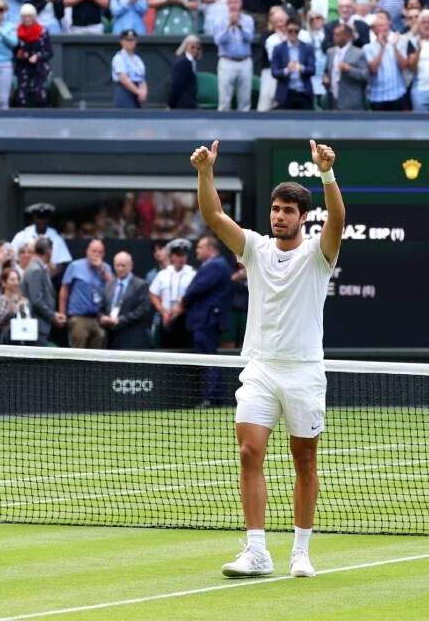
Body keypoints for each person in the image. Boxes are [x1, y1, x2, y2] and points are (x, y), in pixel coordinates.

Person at [190, 137, 344, 578]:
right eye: (275, 210)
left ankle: (300, 551)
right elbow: (214, 215)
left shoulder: (319, 253)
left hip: (303, 372)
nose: (278, 216)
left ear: (302, 217)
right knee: (248, 450)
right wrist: (205, 172)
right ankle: (257, 551)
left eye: (287, 211)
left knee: (304, 460)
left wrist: (327, 173)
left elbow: (339, 219)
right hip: (259, 367)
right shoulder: (254, 247)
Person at [177, 234, 232, 406]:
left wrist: (183, 302)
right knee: (210, 358)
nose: (196, 250)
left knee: (208, 359)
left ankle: (210, 398)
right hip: (205, 321)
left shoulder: (215, 266)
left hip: (207, 321)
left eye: (200, 247)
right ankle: (216, 398)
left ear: (210, 249)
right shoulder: (214, 265)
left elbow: (196, 289)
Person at [58, 238, 113, 348]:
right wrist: (62, 313)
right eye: (94, 251)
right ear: (87, 251)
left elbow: (113, 287)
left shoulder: (106, 268)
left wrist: (101, 270)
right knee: (79, 352)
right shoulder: (75, 266)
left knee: (97, 353)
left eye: (100, 252)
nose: (96, 254)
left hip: (98, 318)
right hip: (79, 317)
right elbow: (64, 290)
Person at [149, 237, 195, 349]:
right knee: (165, 351)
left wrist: (181, 309)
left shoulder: (192, 273)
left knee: (186, 352)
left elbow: (195, 297)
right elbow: (153, 294)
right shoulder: (163, 274)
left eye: (184, 255)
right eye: (178, 255)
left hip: (185, 319)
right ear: (172, 256)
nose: (181, 258)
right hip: (166, 317)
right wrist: (162, 311)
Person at [100, 251, 151, 350]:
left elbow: (143, 310)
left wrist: (120, 319)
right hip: (111, 337)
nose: (120, 269)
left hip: (132, 337)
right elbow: (101, 308)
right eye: (117, 265)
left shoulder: (141, 285)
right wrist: (102, 317)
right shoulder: (109, 285)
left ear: (130, 266)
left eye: (123, 265)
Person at [22, 236, 67, 346]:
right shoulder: (36, 270)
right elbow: (36, 300)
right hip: (36, 327)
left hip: (39, 326)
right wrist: (53, 316)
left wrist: (54, 314)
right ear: (48, 251)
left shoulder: (38, 268)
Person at [214, 0, 254, 111]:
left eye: (235, 2)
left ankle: (244, 126)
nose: (233, 5)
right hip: (227, 61)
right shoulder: (220, 21)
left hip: (245, 61)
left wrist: (239, 26)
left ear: (240, 4)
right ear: (227, 4)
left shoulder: (248, 20)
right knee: (224, 100)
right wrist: (228, 26)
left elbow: (249, 38)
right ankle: (222, 127)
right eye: (230, 2)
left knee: (245, 100)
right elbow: (219, 41)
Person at [363, 9, 408, 110]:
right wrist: (382, 48)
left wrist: (395, 47)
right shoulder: (367, 48)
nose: (384, 29)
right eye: (380, 26)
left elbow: (404, 66)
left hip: (397, 94)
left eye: (385, 25)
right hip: (377, 97)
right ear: (374, 30)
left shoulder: (399, 41)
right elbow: (373, 70)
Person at [271, 16, 316, 110]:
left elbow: (312, 69)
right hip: (286, 93)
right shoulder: (278, 49)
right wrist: (287, 70)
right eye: (290, 31)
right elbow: (274, 72)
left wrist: (302, 68)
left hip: (303, 93)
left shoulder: (307, 48)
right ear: (285, 30)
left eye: (296, 31)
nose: (293, 34)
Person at [14, 4, 52, 108]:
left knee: (40, 95)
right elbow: (15, 51)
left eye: (29, 16)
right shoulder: (16, 32)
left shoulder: (43, 31)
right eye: (24, 16)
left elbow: (49, 52)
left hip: (40, 66)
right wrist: (19, 54)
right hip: (23, 66)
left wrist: (37, 56)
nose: (26, 19)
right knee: (21, 97)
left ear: (34, 17)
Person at [11, 203, 72, 268]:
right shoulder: (22, 236)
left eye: (44, 217)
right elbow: (12, 258)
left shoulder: (56, 238)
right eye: (38, 217)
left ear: (48, 219)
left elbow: (62, 263)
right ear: (33, 218)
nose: (41, 221)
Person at [325, 22, 368, 110]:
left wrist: (349, 69)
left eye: (337, 35)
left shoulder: (358, 53)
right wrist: (325, 78)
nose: (334, 37)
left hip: (351, 103)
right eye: (334, 34)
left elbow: (365, 75)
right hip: (333, 100)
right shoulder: (330, 52)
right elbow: (326, 71)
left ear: (347, 36)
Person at [0, 268, 31, 344]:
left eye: (17, 280)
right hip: (3, 339)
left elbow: (27, 323)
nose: (16, 283)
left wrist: (23, 310)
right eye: (12, 280)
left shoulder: (24, 301)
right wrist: (9, 314)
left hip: (20, 341)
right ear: (4, 283)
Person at [112, 28, 148, 108]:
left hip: (137, 91)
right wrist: (138, 92)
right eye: (127, 40)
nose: (130, 43)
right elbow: (124, 79)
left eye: (132, 40)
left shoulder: (137, 59)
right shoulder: (119, 58)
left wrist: (143, 91)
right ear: (122, 41)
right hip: (125, 91)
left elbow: (142, 78)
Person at [169, 34, 201, 109]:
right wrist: (171, 104)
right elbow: (176, 85)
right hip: (182, 105)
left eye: (198, 48)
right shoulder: (183, 62)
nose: (195, 50)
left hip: (189, 102)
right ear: (186, 47)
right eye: (192, 47)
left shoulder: (191, 62)